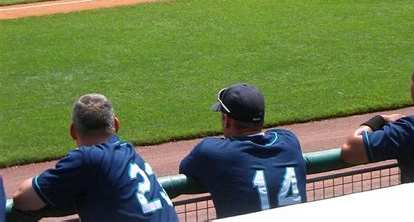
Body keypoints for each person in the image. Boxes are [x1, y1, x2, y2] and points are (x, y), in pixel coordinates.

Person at [12, 93, 178, 221]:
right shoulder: (128, 152)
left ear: (72, 131)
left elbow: (22, 199)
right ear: (116, 124)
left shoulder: (88, 158)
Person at [179, 83, 306, 218]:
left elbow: (185, 168)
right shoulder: (289, 141)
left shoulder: (211, 152)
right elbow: (272, 134)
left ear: (226, 120)